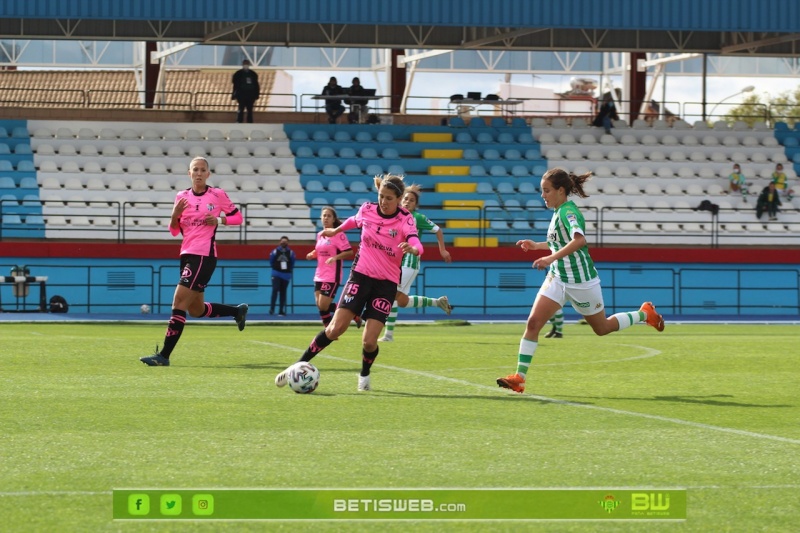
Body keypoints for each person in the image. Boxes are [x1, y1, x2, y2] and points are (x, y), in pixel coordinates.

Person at [496, 168, 665, 394]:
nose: (542, 195)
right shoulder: (557, 211)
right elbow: (560, 242)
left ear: (561, 190)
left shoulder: (569, 212)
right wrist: (537, 246)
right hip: (557, 278)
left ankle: (645, 314)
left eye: (546, 191)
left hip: (582, 282)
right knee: (533, 323)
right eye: (542, 191)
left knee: (602, 328)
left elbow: (579, 240)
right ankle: (519, 378)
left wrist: (550, 257)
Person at [275, 174, 422, 392]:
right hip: (361, 276)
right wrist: (336, 230)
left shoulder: (405, 219)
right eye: (381, 196)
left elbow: (416, 241)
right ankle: (295, 366)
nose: (384, 201)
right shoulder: (368, 209)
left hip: (386, 284)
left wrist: (415, 249)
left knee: (369, 342)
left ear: (399, 199)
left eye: (389, 198)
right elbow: (355, 220)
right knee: (334, 329)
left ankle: (364, 374)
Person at [140, 157, 248, 366]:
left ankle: (164, 355)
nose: (199, 173)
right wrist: (174, 214)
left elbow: (238, 218)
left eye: (202, 170)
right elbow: (174, 231)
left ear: (208, 174)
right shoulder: (181, 197)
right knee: (196, 310)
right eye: (195, 170)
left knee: (178, 302)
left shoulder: (217, 195)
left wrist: (219, 220)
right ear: (189, 174)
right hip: (187, 254)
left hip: (204, 256)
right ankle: (237, 311)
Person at [379, 184, 453, 342]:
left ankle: (388, 335)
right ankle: (438, 302)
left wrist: (443, 250)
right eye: (405, 198)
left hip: (409, 261)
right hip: (397, 260)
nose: (407, 202)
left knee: (391, 295)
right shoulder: (396, 215)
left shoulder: (417, 218)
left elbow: (438, 230)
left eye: (411, 200)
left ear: (415, 204)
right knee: (402, 300)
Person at [307, 206, 357, 325]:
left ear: (334, 219)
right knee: (321, 305)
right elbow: (319, 250)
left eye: (329, 216)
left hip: (331, 275)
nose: (326, 218)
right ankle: (352, 315)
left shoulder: (338, 234)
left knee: (324, 305)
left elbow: (349, 252)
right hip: (319, 274)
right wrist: (312, 254)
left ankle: (328, 331)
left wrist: (335, 257)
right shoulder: (320, 235)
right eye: (324, 215)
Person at [269, 236, 296, 316]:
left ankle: (281, 310)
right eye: (282, 241)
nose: (283, 243)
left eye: (285, 241)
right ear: (279, 242)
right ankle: (272, 309)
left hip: (286, 275)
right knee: (275, 290)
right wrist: (276, 268)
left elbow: (292, 263)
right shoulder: (275, 251)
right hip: (276, 274)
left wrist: (288, 270)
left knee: (283, 293)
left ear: (287, 243)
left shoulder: (291, 252)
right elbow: (271, 261)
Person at [231, 59, 260, 123]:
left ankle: (250, 122)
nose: (246, 65)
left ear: (249, 65)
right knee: (241, 108)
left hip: (250, 95)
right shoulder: (238, 74)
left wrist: (256, 95)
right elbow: (235, 84)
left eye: (247, 64)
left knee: (250, 109)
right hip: (241, 94)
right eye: (245, 64)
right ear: (242, 64)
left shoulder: (253, 74)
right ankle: (239, 121)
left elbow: (256, 85)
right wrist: (234, 95)